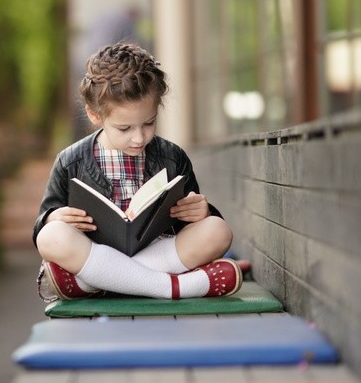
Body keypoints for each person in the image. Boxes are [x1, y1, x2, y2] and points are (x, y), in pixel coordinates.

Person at [34, 43, 242, 302]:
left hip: (155, 252)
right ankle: (172, 287)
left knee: (218, 230)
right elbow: (43, 223)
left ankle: (91, 284)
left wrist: (202, 212)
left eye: (149, 123)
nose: (139, 137)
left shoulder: (172, 156)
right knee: (50, 237)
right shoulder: (70, 161)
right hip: (95, 253)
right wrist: (54, 218)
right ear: (94, 115)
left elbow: (189, 222)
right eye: (124, 128)